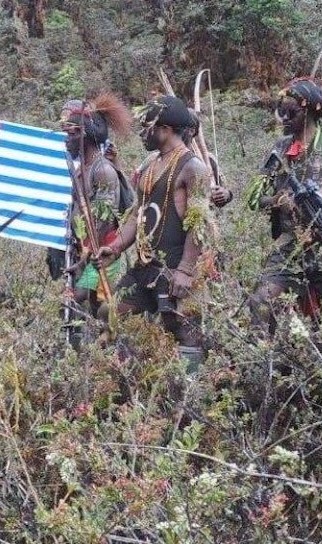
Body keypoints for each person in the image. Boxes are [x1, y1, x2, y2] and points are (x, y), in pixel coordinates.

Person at [95, 95, 212, 371]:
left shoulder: (193, 168)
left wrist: (185, 270)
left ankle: (190, 394)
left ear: (166, 129)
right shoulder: (150, 166)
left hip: (174, 268)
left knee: (181, 328)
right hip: (145, 267)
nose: (143, 134)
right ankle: (129, 375)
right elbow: (138, 213)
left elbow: (199, 224)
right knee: (108, 312)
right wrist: (115, 248)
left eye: (148, 127)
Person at [246, 77, 322, 333]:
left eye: (292, 113)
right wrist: (277, 202)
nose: (285, 119)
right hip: (292, 243)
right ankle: (270, 363)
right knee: (261, 302)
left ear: (309, 112)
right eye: (282, 112)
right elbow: (254, 198)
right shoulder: (280, 148)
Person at [60, 93, 133, 324]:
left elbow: (103, 222)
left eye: (69, 134)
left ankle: (112, 355)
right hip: (87, 252)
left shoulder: (103, 171)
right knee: (88, 308)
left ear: (83, 135)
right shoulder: (83, 169)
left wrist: (83, 260)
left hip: (103, 254)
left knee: (97, 308)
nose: (65, 141)